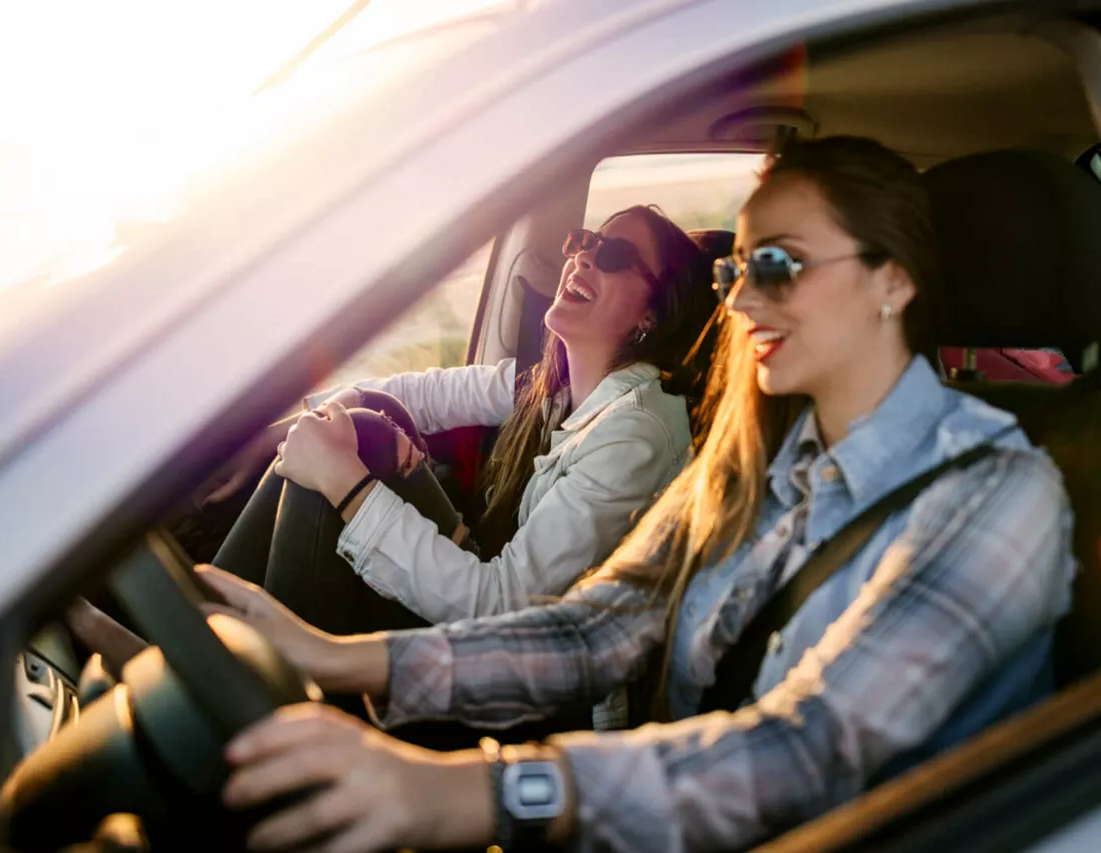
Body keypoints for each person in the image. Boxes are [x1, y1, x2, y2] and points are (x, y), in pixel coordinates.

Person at [196, 136, 1076, 853]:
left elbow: (808, 751)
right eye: (739, 271)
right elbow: (599, 629)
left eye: (785, 264)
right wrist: (335, 658)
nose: (746, 301)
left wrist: (472, 791)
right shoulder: (753, 466)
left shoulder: (1001, 493)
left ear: (893, 282)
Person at [209, 205, 720, 637]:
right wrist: (271, 436)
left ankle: (204, 644)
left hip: (523, 683)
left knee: (355, 440)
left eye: (613, 256)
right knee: (363, 420)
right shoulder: (554, 388)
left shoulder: (638, 434)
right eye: (585, 241)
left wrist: (345, 483)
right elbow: (419, 394)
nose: (584, 256)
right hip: (484, 629)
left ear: (652, 314)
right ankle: (204, 635)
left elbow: (502, 608)